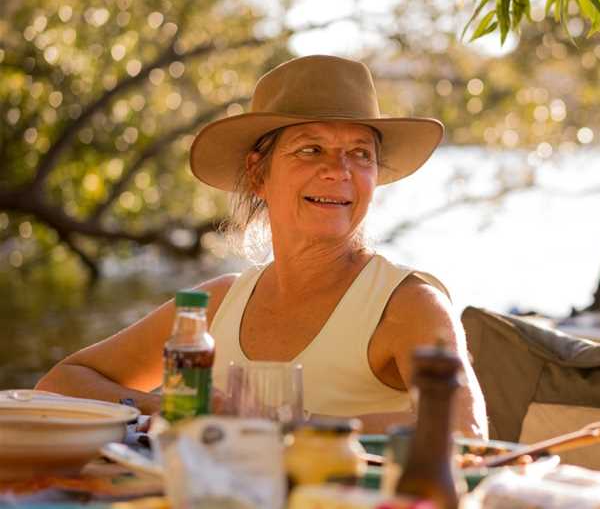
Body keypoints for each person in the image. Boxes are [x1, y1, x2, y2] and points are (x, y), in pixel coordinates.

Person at [36, 55, 488, 438]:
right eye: (311, 150)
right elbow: (59, 384)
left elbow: (465, 432)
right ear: (258, 174)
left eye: (360, 154)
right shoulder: (216, 306)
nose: (339, 171)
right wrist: (171, 410)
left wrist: (281, 427)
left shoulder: (408, 304)